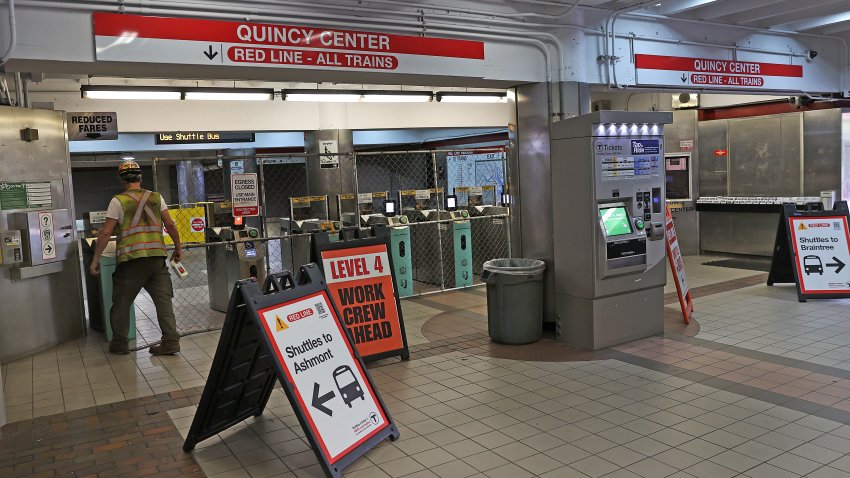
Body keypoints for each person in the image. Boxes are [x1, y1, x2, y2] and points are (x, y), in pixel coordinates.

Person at [90, 160, 183, 355]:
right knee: (163, 302)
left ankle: (120, 344)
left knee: (122, 304)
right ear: (140, 177)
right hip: (157, 259)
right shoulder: (156, 197)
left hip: (131, 260)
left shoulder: (118, 201)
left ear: (122, 179)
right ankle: (171, 341)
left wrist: (95, 259)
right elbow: (171, 225)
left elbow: (106, 233)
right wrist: (178, 247)